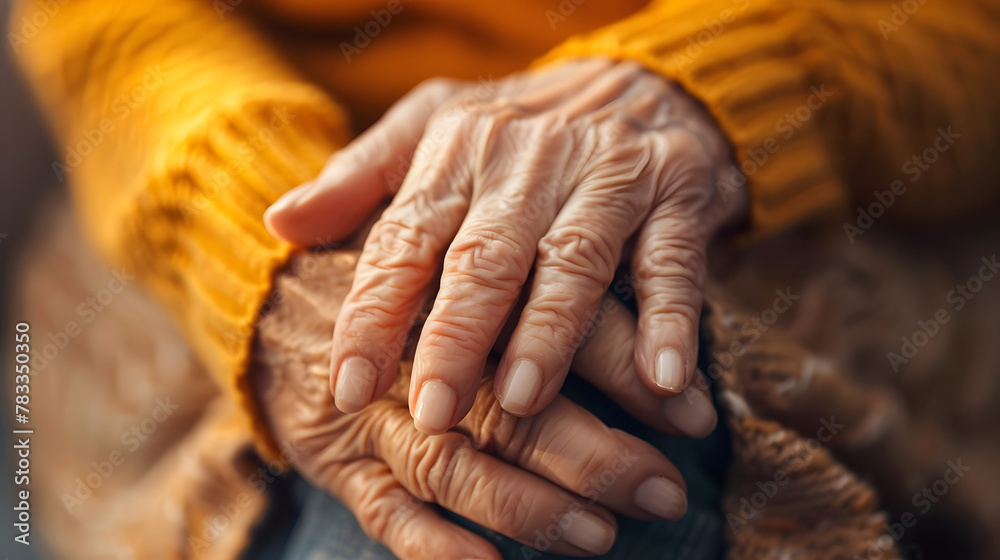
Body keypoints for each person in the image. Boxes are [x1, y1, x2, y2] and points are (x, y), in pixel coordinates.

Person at [9, 0, 1000, 558]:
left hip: (787, 141)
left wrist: (698, 82)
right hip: (251, 145)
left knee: (570, 349)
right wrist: (269, 248)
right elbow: (113, 26)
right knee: (454, 387)